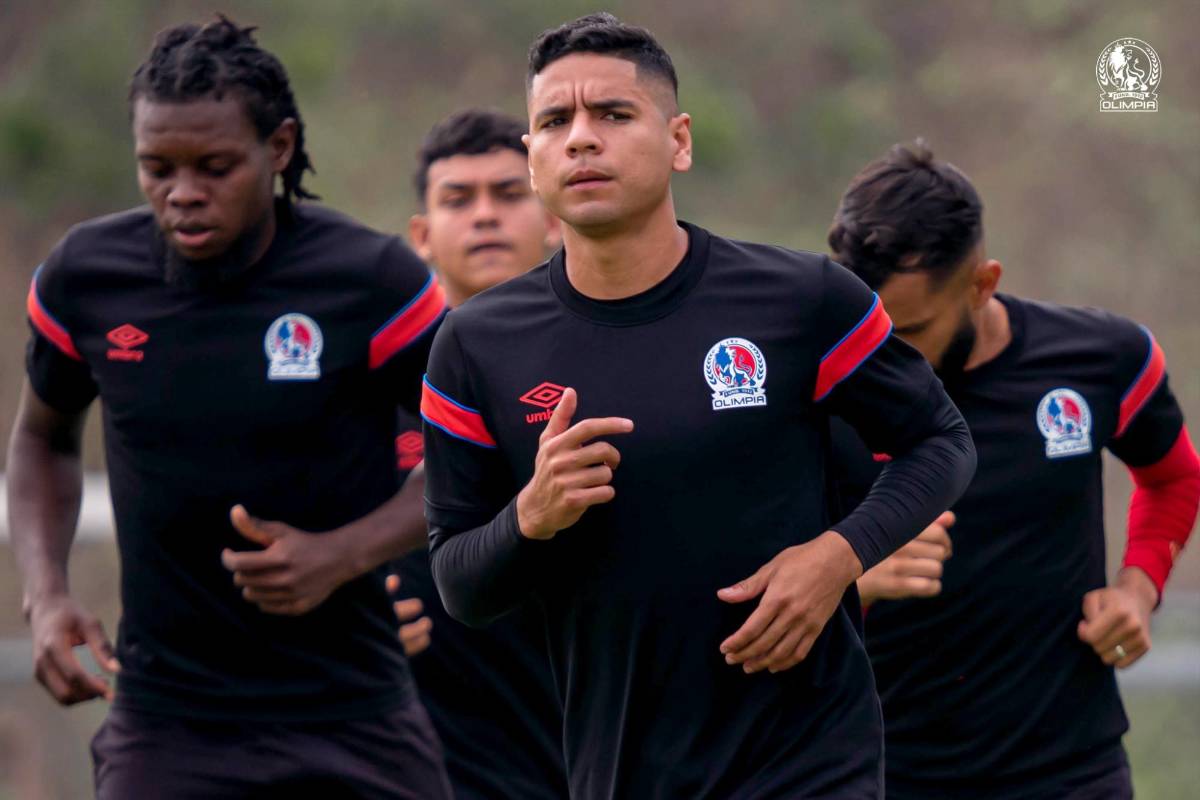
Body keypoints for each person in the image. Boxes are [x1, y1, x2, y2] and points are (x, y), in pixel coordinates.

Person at [420, 14, 976, 799]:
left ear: (679, 140)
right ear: (535, 160)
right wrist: (531, 516)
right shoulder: (474, 345)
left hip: (805, 760)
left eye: (613, 114)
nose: (581, 138)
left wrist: (838, 558)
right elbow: (460, 586)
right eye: (555, 121)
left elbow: (941, 442)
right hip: (614, 770)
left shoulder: (802, 300)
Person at [8, 17, 451, 799]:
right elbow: (42, 442)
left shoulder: (373, 281)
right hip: (167, 724)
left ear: (277, 149)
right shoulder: (87, 279)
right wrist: (47, 597)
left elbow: (472, 457)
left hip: (353, 716)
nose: (182, 193)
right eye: (157, 168)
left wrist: (343, 554)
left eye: (214, 167)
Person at [827, 141, 1200, 800]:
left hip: (1070, 772)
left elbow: (1172, 477)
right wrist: (853, 575)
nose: (884, 353)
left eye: (910, 331)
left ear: (982, 284)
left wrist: (1138, 589)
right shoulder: (822, 384)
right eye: (870, 324)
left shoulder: (1101, 359)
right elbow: (744, 577)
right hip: (879, 775)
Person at [388, 107, 568, 799]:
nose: (485, 216)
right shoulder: (371, 391)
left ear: (552, 218)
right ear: (422, 235)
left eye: (509, 193)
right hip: (425, 765)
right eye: (459, 200)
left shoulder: (611, 366)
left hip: (584, 744)